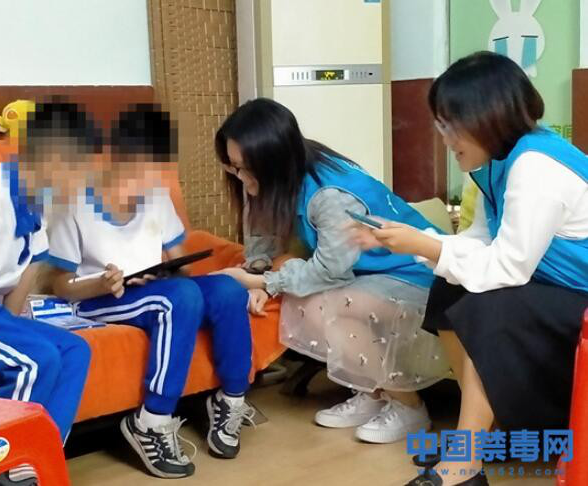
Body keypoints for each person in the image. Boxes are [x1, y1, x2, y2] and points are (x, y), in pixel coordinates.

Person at [351, 51, 588, 486]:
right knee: (447, 291)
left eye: (449, 125)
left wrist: (423, 244)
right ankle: (481, 432)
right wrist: (409, 239)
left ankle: (466, 462)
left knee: (490, 303)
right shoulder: (495, 163)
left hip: (582, 301)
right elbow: (480, 242)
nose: (444, 138)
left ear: (486, 117)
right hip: (559, 291)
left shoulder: (536, 166)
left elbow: (509, 267)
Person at [213, 98, 451, 444]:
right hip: (368, 275)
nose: (240, 177)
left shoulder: (329, 195)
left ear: (272, 159)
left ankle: (409, 408)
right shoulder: (277, 175)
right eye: (234, 166)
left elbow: (329, 272)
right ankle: (372, 393)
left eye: (245, 167)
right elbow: (263, 236)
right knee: (305, 300)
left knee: (332, 303)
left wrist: (263, 281)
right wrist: (259, 275)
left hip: (419, 276)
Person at [48, 104, 258, 479]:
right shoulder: (73, 203)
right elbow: (59, 284)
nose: (147, 174)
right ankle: (152, 421)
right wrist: (103, 282)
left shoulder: (156, 197)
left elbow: (183, 268)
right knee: (177, 297)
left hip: (156, 291)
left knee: (227, 290)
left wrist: (169, 271)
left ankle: (231, 400)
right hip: (98, 298)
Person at [0, 101, 97, 485]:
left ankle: (36, 460)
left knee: (75, 350)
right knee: (35, 360)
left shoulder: (38, 199)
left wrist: (13, 330)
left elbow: (28, 271)